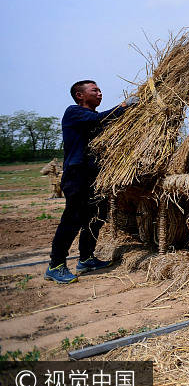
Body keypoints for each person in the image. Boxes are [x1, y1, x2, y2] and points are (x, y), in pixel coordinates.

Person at [46, 81, 138, 284]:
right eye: (94, 90)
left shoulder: (95, 120)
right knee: (72, 219)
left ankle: (86, 258)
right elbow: (101, 119)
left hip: (94, 175)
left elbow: (108, 124)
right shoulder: (74, 112)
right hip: (77, 174)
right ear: (80, 95)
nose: (100, 93)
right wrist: (124, 106)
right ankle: (56, 265)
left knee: (96, 217)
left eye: (100, 90)